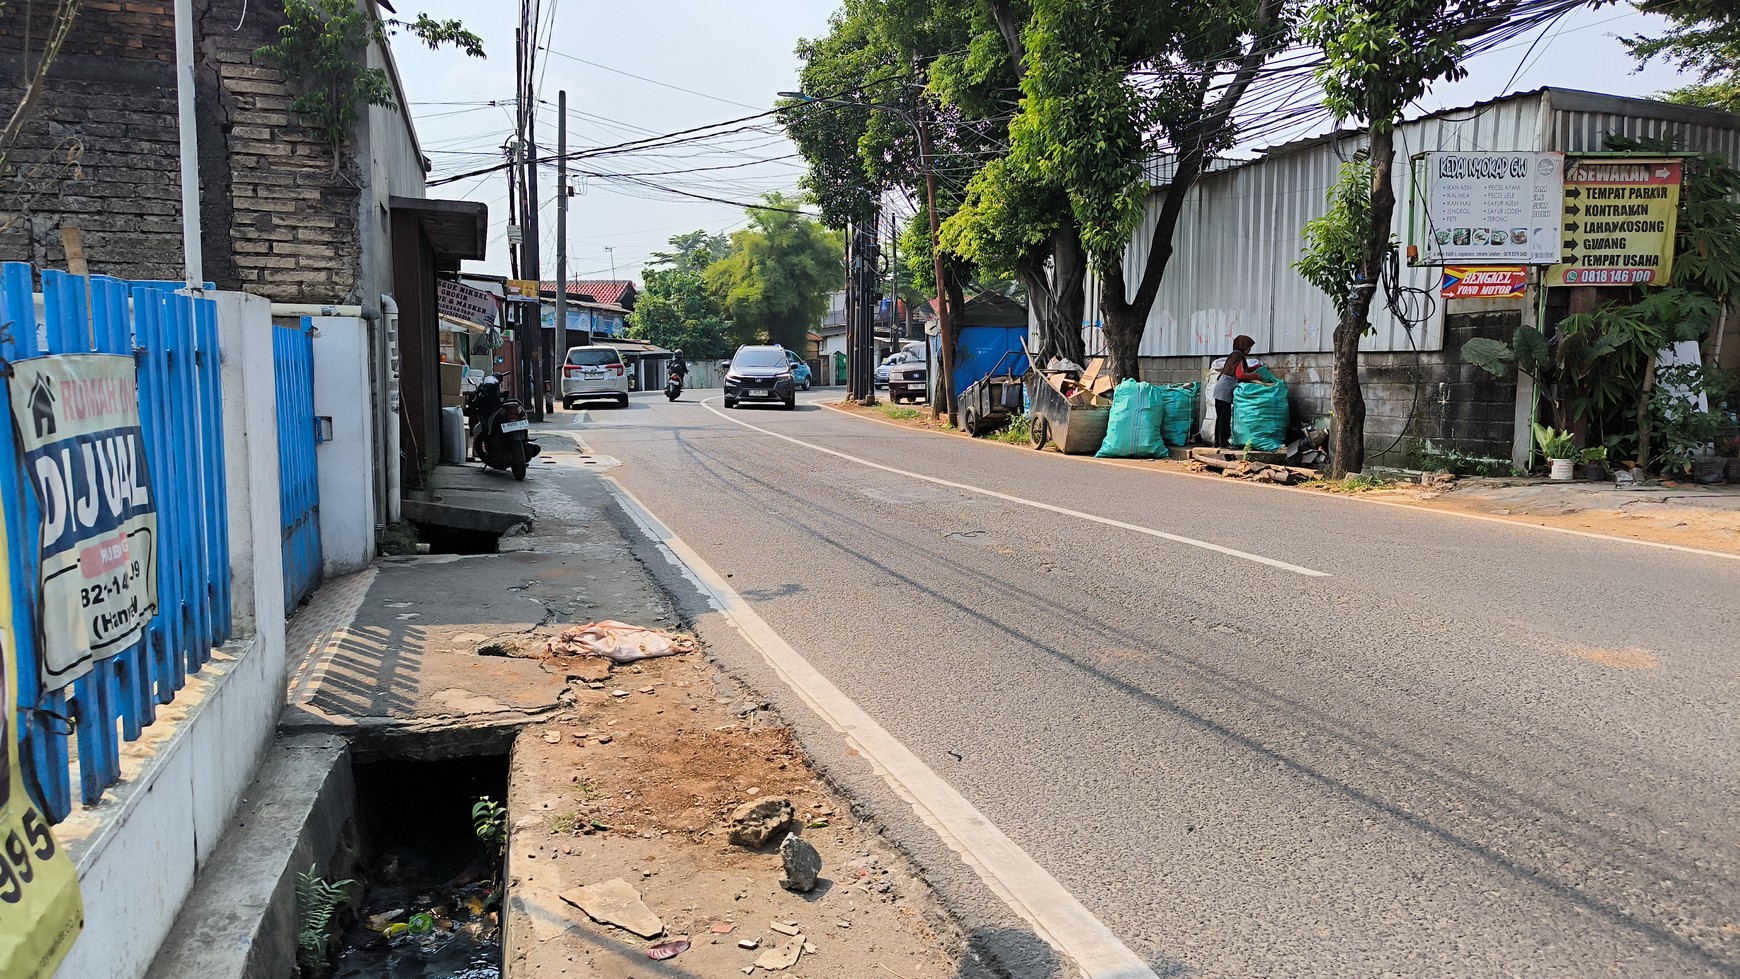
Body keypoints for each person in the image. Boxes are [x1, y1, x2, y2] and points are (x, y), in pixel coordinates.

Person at [1213, 334, 1262, 448]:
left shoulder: (1235, 355)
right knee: (1224, 417)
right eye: (1249, 347)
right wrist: (1255, 376)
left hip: (1220, 388)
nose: (1250, 350)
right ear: (1243, 346)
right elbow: (1240, 375)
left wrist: (1255, 367)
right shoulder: (1238, 356)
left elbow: (1243, 370)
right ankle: (1223, 443)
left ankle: (1217, 442)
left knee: (1220, 417)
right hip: (1225, 389)